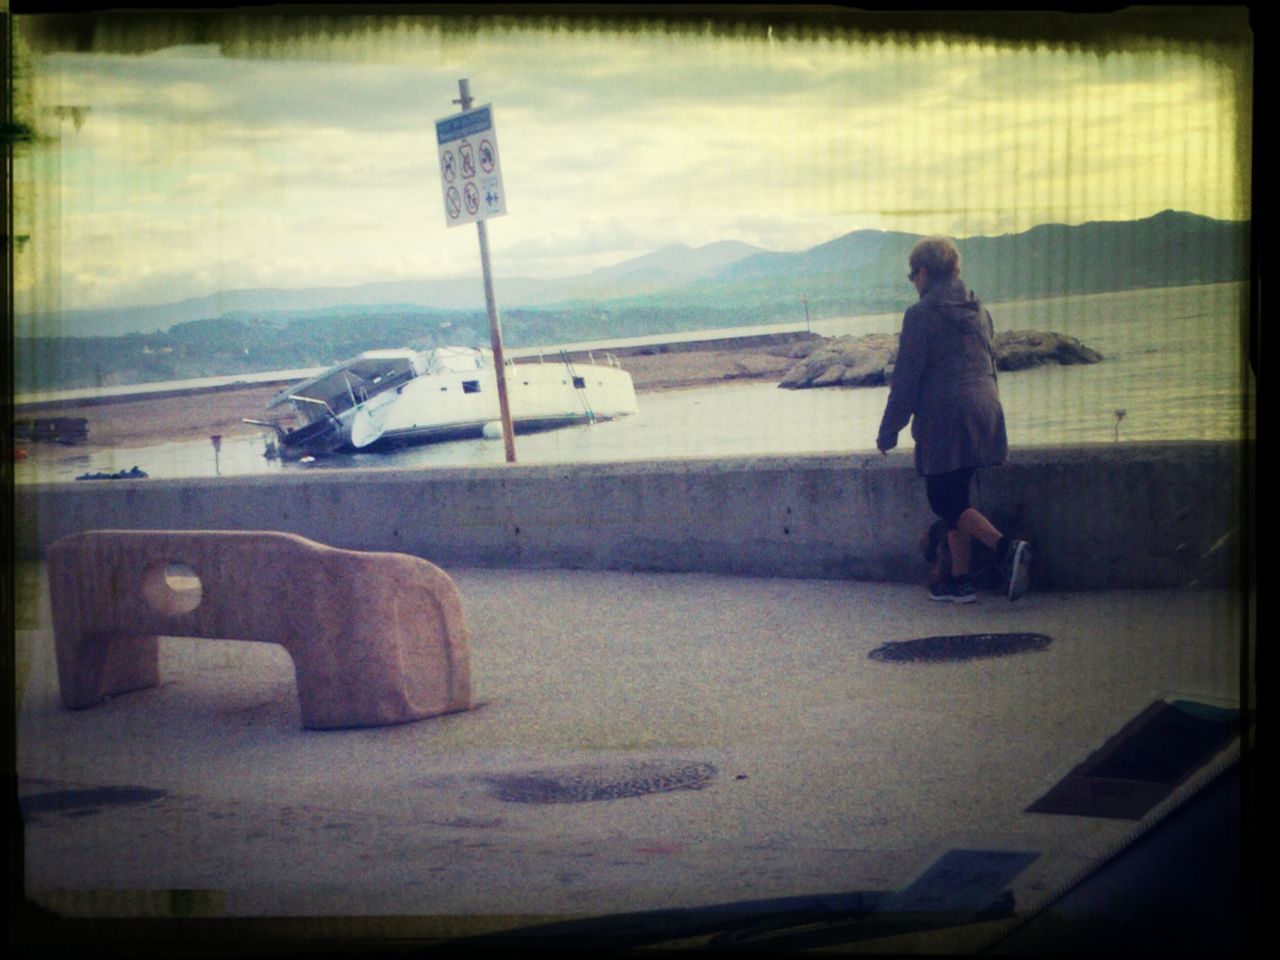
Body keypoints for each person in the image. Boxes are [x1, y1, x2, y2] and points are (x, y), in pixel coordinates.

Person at [876, 236, 1031, 603]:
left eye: (912, 275)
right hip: (984, 410)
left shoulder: (920, 314)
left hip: (945, 418)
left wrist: (888, 430)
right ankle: (959, 581)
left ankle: (1007, 549)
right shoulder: (978, 309)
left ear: (925, 273)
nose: (913, 283)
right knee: (958, 497)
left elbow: (906, 380)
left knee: (944, 501)